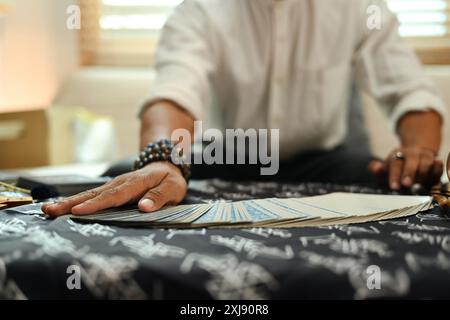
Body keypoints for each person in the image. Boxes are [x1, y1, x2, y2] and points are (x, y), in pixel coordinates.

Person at [43, 0, 447, 217]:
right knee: (125, 173)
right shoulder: (200, 10)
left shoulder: (359, 7)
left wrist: (418, 153)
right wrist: (162, 159)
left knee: (391, 182)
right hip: (227, 154)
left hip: (323, 160)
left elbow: (410, 92)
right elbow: (174, 92)